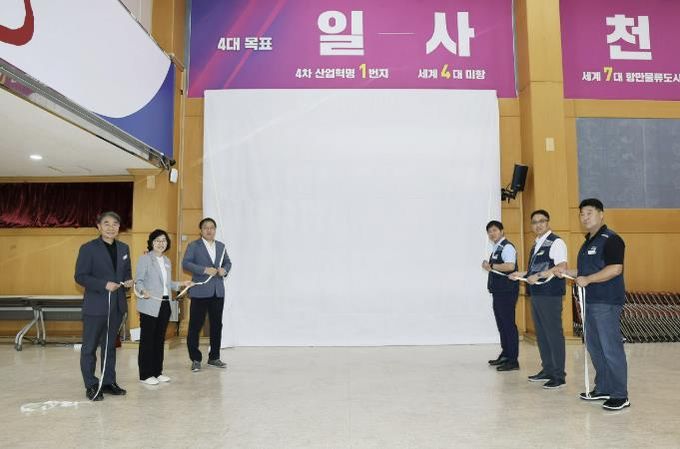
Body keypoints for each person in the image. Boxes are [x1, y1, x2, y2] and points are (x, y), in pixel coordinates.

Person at [555, 198, 629, 410]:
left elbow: (615, 269)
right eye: (581, 214)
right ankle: (604, 387)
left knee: (610, 348)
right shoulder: (588, 242)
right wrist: (567, 272)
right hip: (590, 302)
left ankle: (620, 395)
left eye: (589, 213)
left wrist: (588, 279)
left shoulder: (611, 239)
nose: (585, 217)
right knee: (595, 348)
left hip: (606, 302)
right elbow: (584, 272)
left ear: (601, 214)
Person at [74, 211, 132, 401]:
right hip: (95, 306)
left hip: (116, 306)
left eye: (115, 224)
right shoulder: (88, 248)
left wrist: (128, 281)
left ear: (119, 227)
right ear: (98, 226)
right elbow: (80, 276)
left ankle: (108, 382)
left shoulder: (124, 248)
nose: (111, 227)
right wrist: (103, 284)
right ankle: (91, 384)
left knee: (110, 347)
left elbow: (126, 272)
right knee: (89, 348)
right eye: (106, 223)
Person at [510, 209, 568, 389]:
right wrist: (520, 274)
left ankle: (558, 375)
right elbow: (534, 271)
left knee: (553, 334)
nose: (538, 225)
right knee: (542, 335)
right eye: (534, 222)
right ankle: (548, 370)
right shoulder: (536, 245)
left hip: (550, 294)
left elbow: (561, 267)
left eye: (541, 221)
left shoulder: (556, 242)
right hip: (537, 294)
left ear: (548, 222)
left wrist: (539, 275)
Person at [135, 229, 193, 385]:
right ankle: (145, 375)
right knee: (147, 340)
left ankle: (157, 372)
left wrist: (182, 283)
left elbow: (168, 284)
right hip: (149, 304)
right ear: (151, 243)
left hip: (165, 304)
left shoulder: (167, 260)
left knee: (159, 339)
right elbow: (138, 281)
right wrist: (143, 291)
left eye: (164, 240)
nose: (161, 243)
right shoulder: (145, 259)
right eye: (157, 240)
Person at [182, 217, 232, 372]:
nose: (209, 230)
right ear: (201, 230)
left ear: (215, 230)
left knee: (216, 325)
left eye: (212, 228)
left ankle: (214, 357)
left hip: (218, 292)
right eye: (206, 228)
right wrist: (204, 270)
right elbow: (186, 263)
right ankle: (195, 359)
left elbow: (228, 262)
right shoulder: (194, 246)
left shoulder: (221, 246)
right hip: (200, 291)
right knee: (195, 326)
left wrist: (224, 270)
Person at [481, 220, 520, 371]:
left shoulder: (507, 246)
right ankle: (506, 354)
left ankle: (513, 360)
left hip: (507, 291)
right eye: (489, 231)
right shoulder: (496, 248)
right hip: (499, 292)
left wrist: (491, 266)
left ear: (502, 231)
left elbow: (510, 266)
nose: (492, 233)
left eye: (495, 230)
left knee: (508, 325)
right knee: (502, 324)